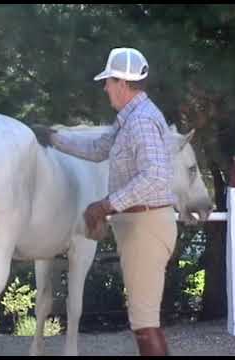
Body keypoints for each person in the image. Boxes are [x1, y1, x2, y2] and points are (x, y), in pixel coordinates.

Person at [32, 47, 177, 356]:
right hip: (139, 224)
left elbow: (154, 177)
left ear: (122, 83)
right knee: (143, 320)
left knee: (144, 323)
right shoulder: (129, 120)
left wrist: (105, 205)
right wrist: (53, 137)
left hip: (146, 225)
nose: (105, 87)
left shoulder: (141, 122)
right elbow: (98, 149)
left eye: (108, 81)